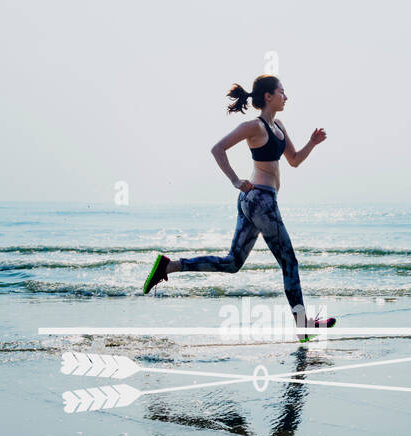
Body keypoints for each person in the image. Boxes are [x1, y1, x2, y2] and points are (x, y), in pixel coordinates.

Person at [143, 74, 335, 342]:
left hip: (256, 202)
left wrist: (312, 144)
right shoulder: (253, 127)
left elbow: (294, 161)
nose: (286, 97)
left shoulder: (278, 126)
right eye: (282, 92)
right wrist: (235, 180)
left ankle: (169, 267)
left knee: (232, 263)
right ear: (268, 96)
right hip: (260, 201)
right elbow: (217, 149)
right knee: (289, 261)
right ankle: (303, 326)